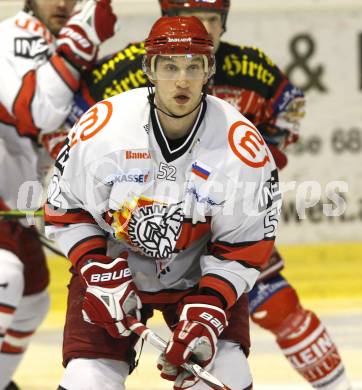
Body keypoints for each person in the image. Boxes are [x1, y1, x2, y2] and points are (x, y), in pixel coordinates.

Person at [67, 1, 352, 389]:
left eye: (212, 20)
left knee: (273, 314)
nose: (200, 27)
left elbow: (289, 111)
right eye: (170, 66)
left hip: (214, 232)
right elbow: (71, 136)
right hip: (128, 237)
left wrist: (244, 178)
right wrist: (105, 191)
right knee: (92, 366)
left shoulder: (251, 70)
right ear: (152, 66)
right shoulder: (120, 73)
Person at [44, 15, 280, 390]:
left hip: (201, 275)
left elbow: (246, 245)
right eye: (169, 66)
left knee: (228, 374)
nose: (182, 80)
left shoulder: (241, 147)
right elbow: (66, 209)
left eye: (193, 66)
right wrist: (93, 267)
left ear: (209, 70)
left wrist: (210, 307)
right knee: (88, 379)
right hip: (113, 269)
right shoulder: (103, 129)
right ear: (149, 70)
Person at [0, 1, 117, 389]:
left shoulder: (57, 42)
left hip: (10, 203)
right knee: (6, 277)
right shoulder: (16, 34)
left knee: (33, 300)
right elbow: (36, 112)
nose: (64, 4)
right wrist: (80, 40)